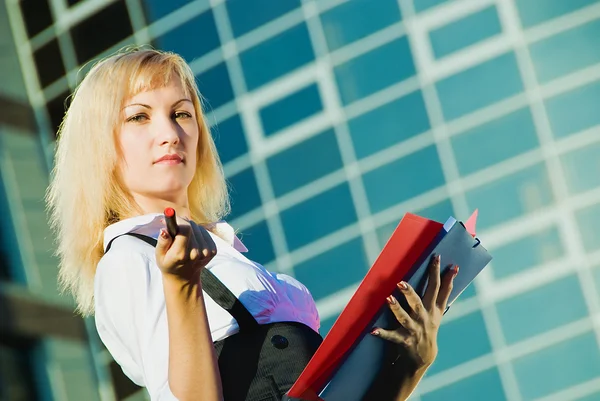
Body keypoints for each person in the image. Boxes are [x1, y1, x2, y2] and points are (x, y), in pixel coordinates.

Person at [46, 47, 458, 401]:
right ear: (101, 147)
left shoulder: (230, 256)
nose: (170, 133)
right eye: (139, 117)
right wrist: (182, 285)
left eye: (181, 113)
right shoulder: (129, 259)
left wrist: (410, 363)